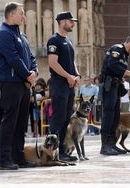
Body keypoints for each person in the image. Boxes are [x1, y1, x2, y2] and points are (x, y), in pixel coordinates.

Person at [0, 2, 38, 170]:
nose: (24, 16)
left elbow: (31, 57)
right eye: (21, 13)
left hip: (24, 83)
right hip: (11, 82)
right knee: (9, 122)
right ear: (11, 14)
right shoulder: (3, 34)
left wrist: (34, 72)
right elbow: (13, 59)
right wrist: (28, 74)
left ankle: (19, 157)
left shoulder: (22, 35)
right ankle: (4, 160)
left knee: (21, 123)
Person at [99, 33, 130, 155]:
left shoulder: (124, 54)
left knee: (115, 116)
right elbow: (112, 65)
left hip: (115, 87)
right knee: (108, 115)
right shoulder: (117, 49)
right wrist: (129, 73)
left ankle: (112, 143)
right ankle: (105, 145)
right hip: (109, 86)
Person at [47, 11, 81, 162]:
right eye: (70, 21)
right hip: (59, 84)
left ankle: (62, 150)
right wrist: (68, 76)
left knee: (66, 118)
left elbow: (72, 61)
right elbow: (53, 63)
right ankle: (53, 151)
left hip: (69, 84)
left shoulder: (68, 41)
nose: (73, 23)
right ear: (62, 22)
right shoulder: (54, 40)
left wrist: (76, 75)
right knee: (58, 118)